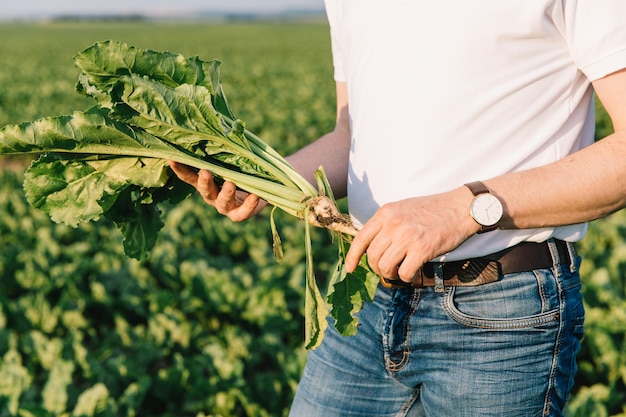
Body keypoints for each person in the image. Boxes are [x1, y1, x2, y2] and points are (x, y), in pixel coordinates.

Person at [170, 1, 626, 415]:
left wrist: (464, 209)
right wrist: (267, 180)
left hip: (501, 313)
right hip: (368, 296)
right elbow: (352, 137)